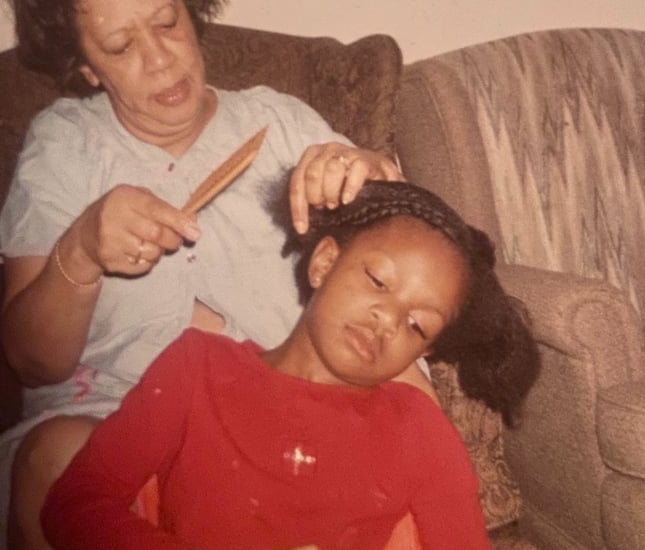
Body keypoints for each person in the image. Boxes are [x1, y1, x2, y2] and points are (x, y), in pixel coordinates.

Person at [0, 0, 403, 550]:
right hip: (111, 422)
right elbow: (31, 361)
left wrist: (373, 175)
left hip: (278, 420)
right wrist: (79, 254)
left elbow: (407, 253)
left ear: (191, 7)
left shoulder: (278, 120)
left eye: (166, 22)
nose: (159, 57)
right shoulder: (65, 143)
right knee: (55, 466)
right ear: (86, 67)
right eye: (121, 45)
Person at [40, 180, 540, 550]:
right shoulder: (198, 369)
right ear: (323, 262)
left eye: (417, 325)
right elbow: (76, 504)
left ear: (424, 353)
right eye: (378, 281)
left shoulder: (420, 430)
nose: (387, 318)